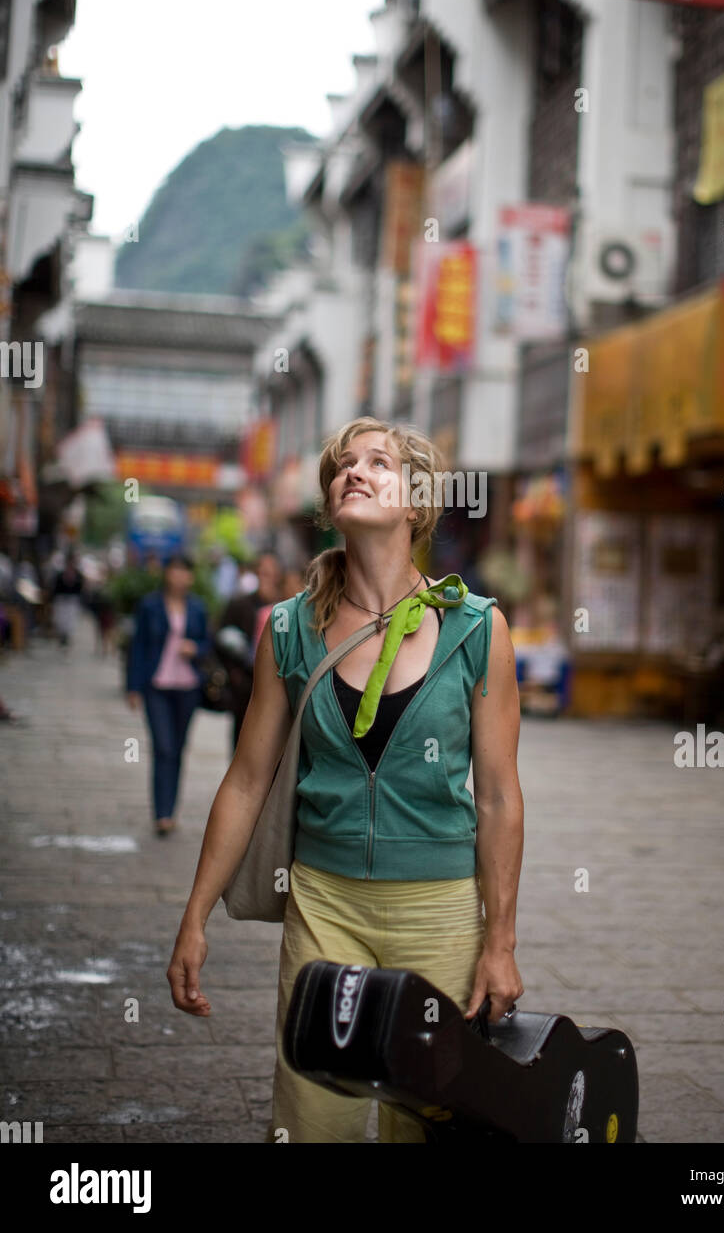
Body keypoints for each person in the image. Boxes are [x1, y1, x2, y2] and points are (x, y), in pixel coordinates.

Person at [166, 417, 524, 1143]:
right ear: (330, 505)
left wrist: (501, 943)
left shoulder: (477, 630)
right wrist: (194, 916)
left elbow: (497, 796)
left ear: (417, 502)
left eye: (378, 463)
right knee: (311, 1119)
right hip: (323, 905)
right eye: (342, 467)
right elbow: (246, 780)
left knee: (423, 1121)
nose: (354, 472)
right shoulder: (289, 629)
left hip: (442, 914)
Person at [126, 554, 211, 836]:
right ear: (166, 574)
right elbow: (137, 645)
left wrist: (194, 649)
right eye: (174, 571)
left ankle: (170, 810)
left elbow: (207, 643)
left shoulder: (197, 608)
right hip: (156, 686)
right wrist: (133, 686)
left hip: (187, 687)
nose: (178, 577)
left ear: (190, 576)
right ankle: (161, 813)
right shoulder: (150, 606)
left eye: (184, 571)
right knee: (162, 747)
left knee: (177, 749)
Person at [217, 550, 285, 749]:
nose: (267, 577)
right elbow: (221, 637)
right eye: (262, 572)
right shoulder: (240, 604)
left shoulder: (287, 606)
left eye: (271, 572)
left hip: (276, 681)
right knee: (241, 737)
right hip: (245, 682)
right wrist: (234, 673)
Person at [51, 549, 84, 649]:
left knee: (70, 622)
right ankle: (62, 637)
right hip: (61, 600)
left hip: (72, 601)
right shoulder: (60, 574)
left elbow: (80, 589)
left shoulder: (78, 575)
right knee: (61, 621)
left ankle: (66, 638)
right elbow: (55, 588)